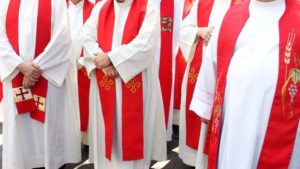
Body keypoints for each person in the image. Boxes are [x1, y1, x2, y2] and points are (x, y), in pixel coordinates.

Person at [190, 0, 300, 168]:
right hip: (234, 123)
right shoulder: (231, 16)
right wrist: (205, 103)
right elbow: (213, 60)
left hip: (282, 132)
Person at [79, 0, 167, 168]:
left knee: (132, 138)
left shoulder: (148, 8)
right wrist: (102, 59)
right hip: (104, 78)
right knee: (106, 135)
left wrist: (112, 58)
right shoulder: (101, 8)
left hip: (135, 80)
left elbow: (145, 44)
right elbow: (87, 37)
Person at [0, 0, 81, 168]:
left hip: (48, 80)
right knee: (21, 140)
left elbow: (63, 38)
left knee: (48, 136)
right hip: (16, 74)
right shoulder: (4, 3)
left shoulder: (56, 2)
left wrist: (35, 70)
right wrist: (20, 65)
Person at [178, 0, 239, 167]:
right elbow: (184, 29)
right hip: (199, 70)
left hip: (226, 72)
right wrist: (200, 31)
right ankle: (196, 161)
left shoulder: (244, 4)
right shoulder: (203, 3)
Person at [67, 0, 94, 144]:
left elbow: (97, 38)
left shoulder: (94, 9)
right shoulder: (58, 7)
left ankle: (85, 142)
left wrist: (84, 60)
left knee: (86, 106)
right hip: (62, 67)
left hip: (84, 66)